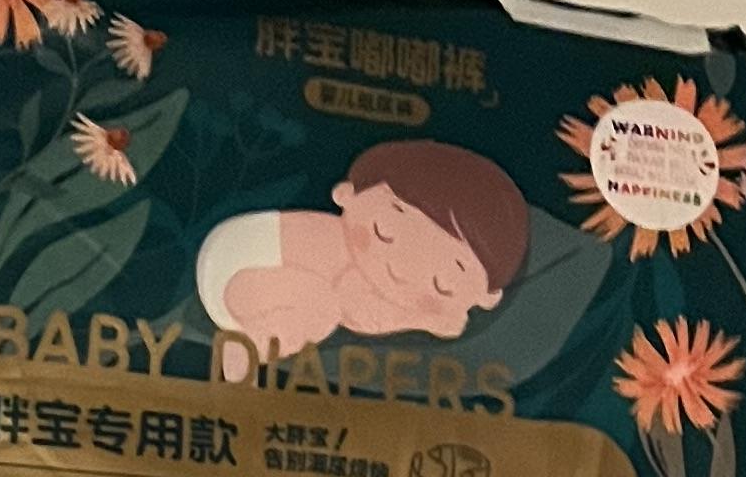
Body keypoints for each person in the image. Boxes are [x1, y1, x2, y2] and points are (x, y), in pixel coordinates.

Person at [195, 141, 531, 356]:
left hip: (243, 266)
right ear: (346, 196)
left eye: (441, 283)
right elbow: (358, 312)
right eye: (384, 232)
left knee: (320, 303)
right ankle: (252, 345)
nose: (401, 269)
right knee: (322, 307)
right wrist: (424, 318)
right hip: (237, 275)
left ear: (487, 297)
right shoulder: (343, 265)